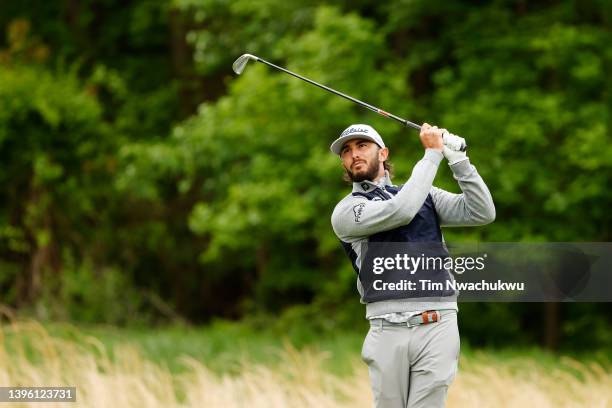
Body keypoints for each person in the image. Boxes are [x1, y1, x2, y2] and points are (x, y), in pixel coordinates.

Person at [330, 123, 495, 408]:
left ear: (383, 153)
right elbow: (401, 211)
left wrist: (458, 160)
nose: (354, 154)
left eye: (362, 146)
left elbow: (481, 211)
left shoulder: (425, 194)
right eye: (346, 150)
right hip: (386, 327)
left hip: (438, 322)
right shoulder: (347, 210)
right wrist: (432, 153)